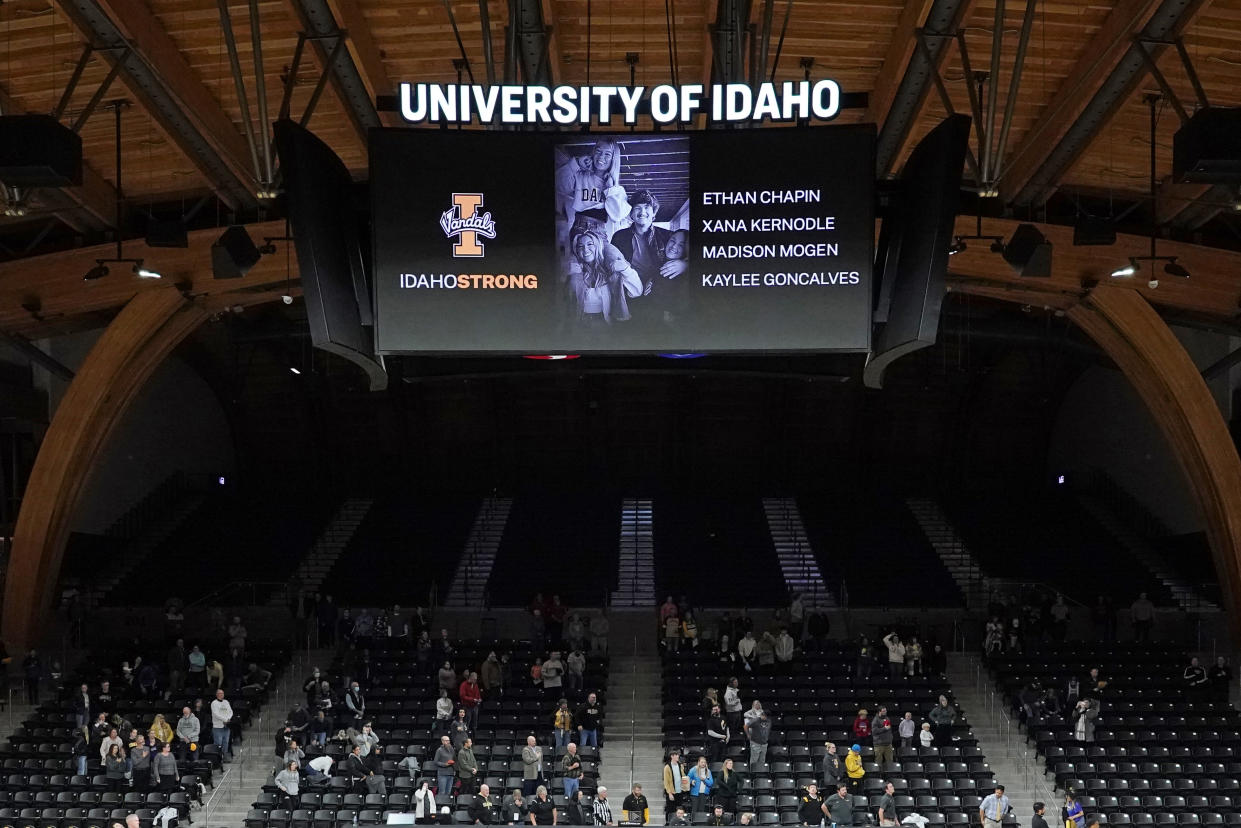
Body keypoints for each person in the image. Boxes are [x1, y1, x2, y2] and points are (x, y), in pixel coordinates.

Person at [567, 228, 643, 326]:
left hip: (606, 324)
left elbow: (637, 291)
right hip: (580, 324)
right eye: (580, 246)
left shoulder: (610, 270)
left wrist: (626, 269)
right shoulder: (576, 271)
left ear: (598, 246)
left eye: (590, 244)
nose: (585, 249)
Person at [210, 688, 234, 761]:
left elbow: (230, 712)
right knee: (218, 743)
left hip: (226, 726)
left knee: (226, 742)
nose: (221, 695)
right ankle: (217, 758)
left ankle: (225, 757)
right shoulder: (214, 703)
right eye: (219, 693)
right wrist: (224, 720)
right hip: (217, 727)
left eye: (222, 693)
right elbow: (216, 714)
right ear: (216, 695)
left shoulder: (226, 702)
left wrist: (228, 719)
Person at [663, 749, 687, 818]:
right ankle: (668, 823)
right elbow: (666, 782)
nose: (677, 756)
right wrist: (669, 793)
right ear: (672, 756)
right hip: (672, 792)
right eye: (676, 755)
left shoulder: (680, 765)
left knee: (679, 809)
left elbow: (683, 776)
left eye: (677, 755)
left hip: (679, 791)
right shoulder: (667, 767)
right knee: (670, 810)